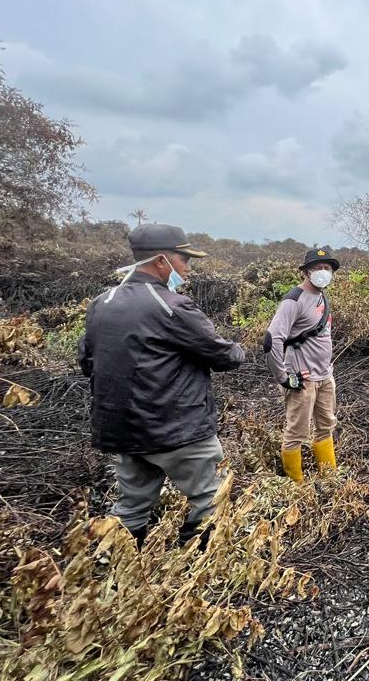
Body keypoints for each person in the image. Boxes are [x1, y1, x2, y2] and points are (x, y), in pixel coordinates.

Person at [78, 224, 246, 549]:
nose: (187, 267)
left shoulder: (102, 303)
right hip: (176, 429)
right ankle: (195, 572)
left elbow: (87, 361)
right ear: (160, 261)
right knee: (211, 500)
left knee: (130, 510)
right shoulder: (171, 305)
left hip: (123, 432)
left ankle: (122, 577)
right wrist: (239, 348)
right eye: (183, 259)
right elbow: (223, 355)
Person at [265, 247, 341, 483]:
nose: (323, 272)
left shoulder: (322, 297)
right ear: (306, 272)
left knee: (326, 425)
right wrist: (284, 377)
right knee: (296, 432)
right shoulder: (293, 300)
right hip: (302, 380)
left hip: (324, 377)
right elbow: (272, 339)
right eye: (318, 267)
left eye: (327, 268)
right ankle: (296, 485)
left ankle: (328, 478)